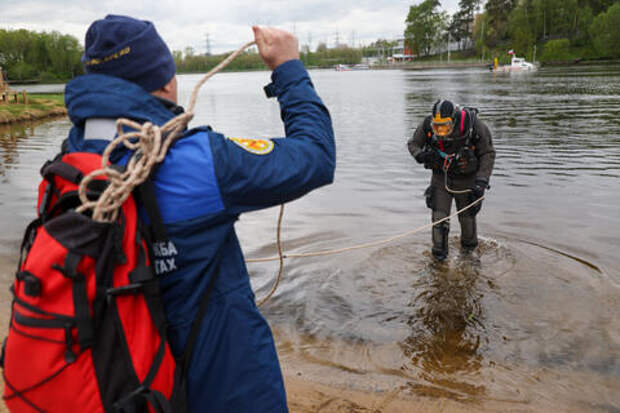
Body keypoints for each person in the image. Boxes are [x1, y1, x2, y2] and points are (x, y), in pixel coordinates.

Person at [63, 15, 335, 412]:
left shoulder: (69, 168)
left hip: (117, 390)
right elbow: (316, 157)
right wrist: (288, 68)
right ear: (165, 82)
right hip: (221, 395)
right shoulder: (200, 162)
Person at [407, 99, 495, 261]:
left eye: (445, 126)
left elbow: (487, 153)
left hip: (467, 180)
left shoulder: (473, 126)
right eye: (437, 127)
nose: (440, 131)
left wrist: (482, 181)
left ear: (453, 121)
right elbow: (413, 143)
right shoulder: (427, 125)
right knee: (439, 220)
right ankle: (439, 258)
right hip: (441, 179)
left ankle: (469, 258)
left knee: (467, 219)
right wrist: (420, 155)